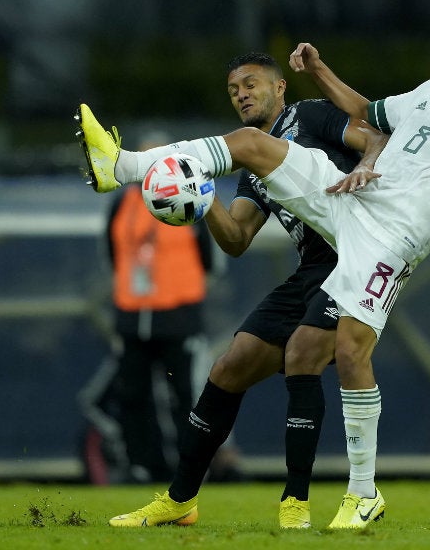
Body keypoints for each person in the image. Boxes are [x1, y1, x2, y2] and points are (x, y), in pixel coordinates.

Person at [77, 0, 430, 529]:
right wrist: (320, 71)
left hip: (391, 239)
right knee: (252, 143)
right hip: (355, 201)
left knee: (348, 352)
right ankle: (123, 165)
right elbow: (368, 112)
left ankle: (361, 493)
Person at [100, 52, 378, 528]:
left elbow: (373, 136)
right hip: (312, 267)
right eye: (233, 91)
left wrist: (366, 167)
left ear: (279, 87)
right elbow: (236, 239)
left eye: (251, 84)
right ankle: (179, 500)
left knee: (302, 355)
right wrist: (201, 196)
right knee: (229, 368)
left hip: (357, 255)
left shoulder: (309, 115)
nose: (242, 94)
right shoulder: (253, 163)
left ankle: (296, 504)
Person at [87, 135, 217, 483]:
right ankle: (144, 466)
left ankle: (193, 469)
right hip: (132, 316)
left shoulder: (193, 197)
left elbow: (210, 260)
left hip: (178, 317)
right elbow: (113, 256)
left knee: (187, 397)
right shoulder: (122, 203)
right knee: (132, 396)